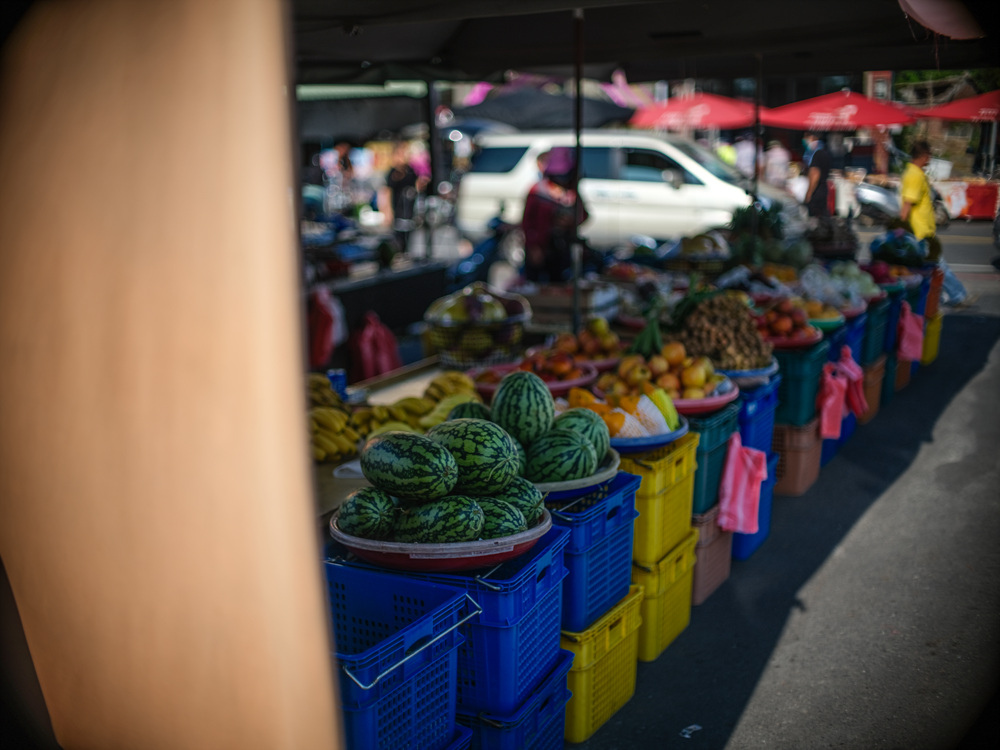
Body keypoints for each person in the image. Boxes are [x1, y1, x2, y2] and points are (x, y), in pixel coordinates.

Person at [900, 140, 968, 305]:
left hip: (923, 229)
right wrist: (900, 227)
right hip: (920, 231)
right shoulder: (914, 175)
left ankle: (935, 296)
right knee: (938, 266)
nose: (930, 158)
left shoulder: (917, 173)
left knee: (927, 267)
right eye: (929, 155)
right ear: (923, 156)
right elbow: (907, 204)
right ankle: (958, 296)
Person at [520, 147, 589, 283]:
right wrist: (534, 246)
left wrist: (571, 221)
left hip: (562, 250)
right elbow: (527, 222)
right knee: (534, 284)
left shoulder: (571, 193)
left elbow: (585, 215)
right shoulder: (538, 190)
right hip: (540, 247)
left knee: (558, 284)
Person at [380, 141, 428, 254]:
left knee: (409, 236)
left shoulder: (410, 170)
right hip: (397, 209)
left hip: (409, 209)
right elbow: (386, 192)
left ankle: (405, 253)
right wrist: (387, 211)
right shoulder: (393, 173)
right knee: (397, 237)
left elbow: (416, 187)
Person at [803, 131, 831, 217]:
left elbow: (815, 174)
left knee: (813, 217)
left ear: (813, 138)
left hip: (816, 191)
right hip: (823, 189)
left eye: (806, 138)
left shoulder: (816, 153)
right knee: (822, 216)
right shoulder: (825, 152)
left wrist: (809, 193)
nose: (804, 140)